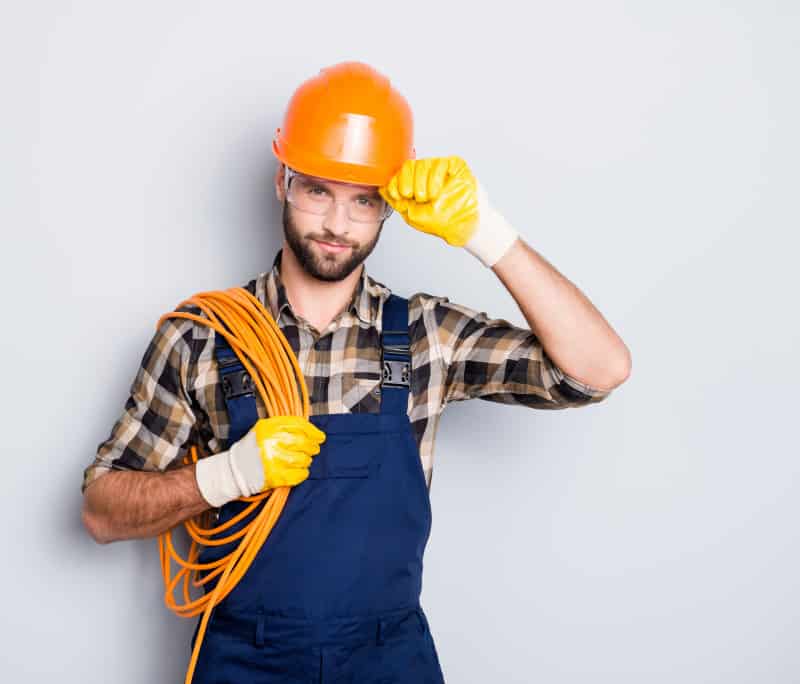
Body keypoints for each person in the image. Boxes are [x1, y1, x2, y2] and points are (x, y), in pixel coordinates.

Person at [80, 61, 631, 683]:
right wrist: (225, 475)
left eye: (363, 201)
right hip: (243, 660)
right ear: (282, 180)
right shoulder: (204, 337)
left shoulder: (427, 337)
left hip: (387, 659)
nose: (338, 225)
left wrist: (487, 234)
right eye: (318, 190)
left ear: (388, 208)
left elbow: (600, 368)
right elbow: (102, 511)